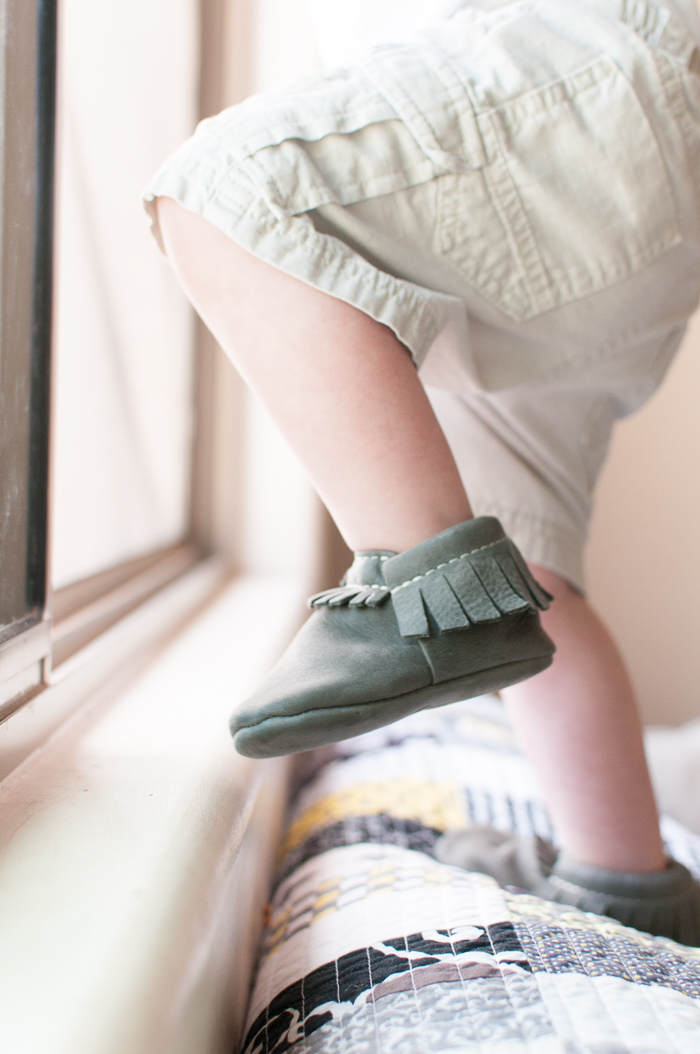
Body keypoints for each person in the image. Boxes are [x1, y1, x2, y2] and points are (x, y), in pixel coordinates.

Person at [144, 0, 700, 942]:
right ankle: (627, 877)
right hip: (600, 144)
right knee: (522, 563)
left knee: (230, 194)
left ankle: (416, 595)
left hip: (582, 79)